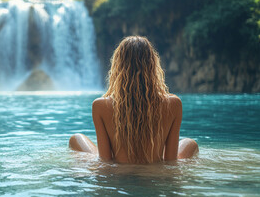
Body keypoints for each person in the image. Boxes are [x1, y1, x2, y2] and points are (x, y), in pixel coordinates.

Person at [69, 36, 198, 164]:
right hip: (154, 170)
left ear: (118, 67)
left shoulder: (100, 105)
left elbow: (106, 159)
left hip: (119, 173)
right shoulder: (173, 103)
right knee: (190, 143)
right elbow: (170, 160)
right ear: (152, 65)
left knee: (76, 138)